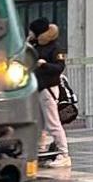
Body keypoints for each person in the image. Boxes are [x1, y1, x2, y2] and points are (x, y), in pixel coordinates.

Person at [28, 17, 70, 168]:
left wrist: (44, 65)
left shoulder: (55, 48)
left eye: (32, 31)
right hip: (38, 89)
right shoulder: (34, 46)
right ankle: (42, 149)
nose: (30, 33)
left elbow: (59, 68)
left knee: (53, 123)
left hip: (48, 89)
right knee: (40, 123)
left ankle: (64, 154)